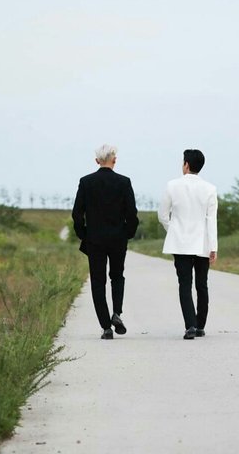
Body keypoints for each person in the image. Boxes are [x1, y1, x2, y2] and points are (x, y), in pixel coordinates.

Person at [72, 144, 139, 339]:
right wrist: (128, 233)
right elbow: (132, 213)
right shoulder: (124, 182)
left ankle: (106, 327)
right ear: (114, 160)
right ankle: (116, 312)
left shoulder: (86, 182)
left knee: (98, 281)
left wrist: (83, 234)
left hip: (94, 239)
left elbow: (77, 213)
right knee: (117, 276)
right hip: (118, 238)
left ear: (96, 161)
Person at [158, 149, 218, 339]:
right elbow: (211, 220)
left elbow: (162, 215)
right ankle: (200, 326)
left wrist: (173, 229)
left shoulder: (172, 185)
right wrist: (213, 247)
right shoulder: (210, 189)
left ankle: (190, 325)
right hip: (202, 243)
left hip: (180, 243)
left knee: (184, 284)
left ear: (186, 164)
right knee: (202, 285)